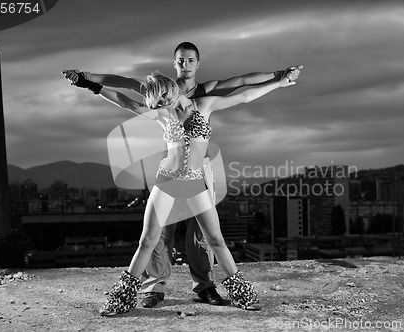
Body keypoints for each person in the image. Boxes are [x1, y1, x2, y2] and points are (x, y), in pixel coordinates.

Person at [62, 42, 302, 309]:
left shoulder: (205, 103)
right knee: (148, 240)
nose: (163, 103)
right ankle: (123, 298)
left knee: (215, 239)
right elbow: (124, 99)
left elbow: (244, 94)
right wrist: (89, 83)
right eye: (159, 101)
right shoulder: (163, 113)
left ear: (173, 87)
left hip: (196, 181)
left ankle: (240, 294)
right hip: (167, 181)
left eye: (164, 97)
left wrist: (279, 82)